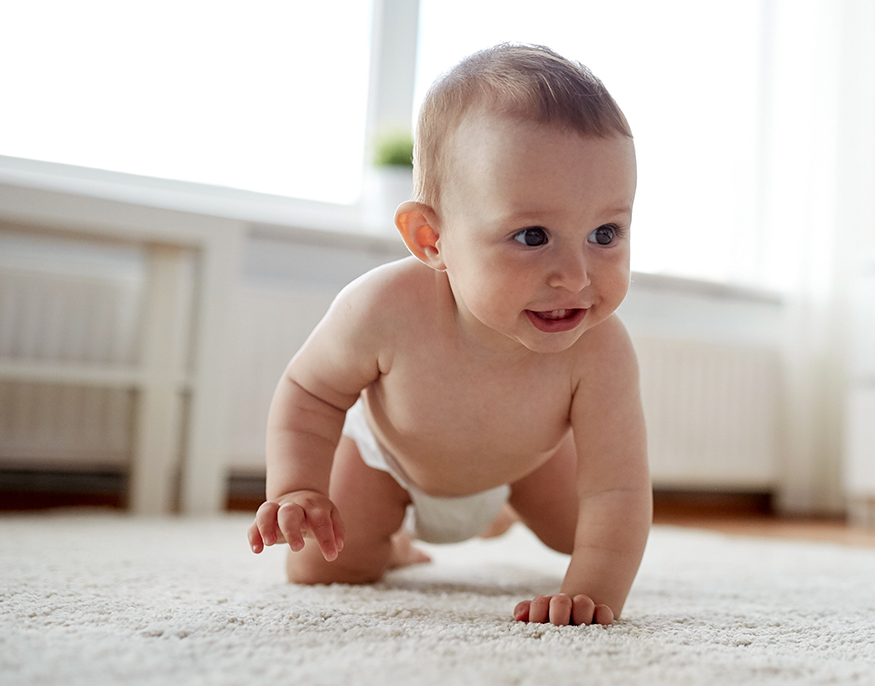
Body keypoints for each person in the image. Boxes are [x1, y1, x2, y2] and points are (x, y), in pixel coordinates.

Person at [246, 43, 649, 628]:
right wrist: (297, 487)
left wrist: (590, 593)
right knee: (322, 564)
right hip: (387, 461)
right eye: (533, 236)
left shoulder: (602, 349)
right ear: (431, 239)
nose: (577, 277)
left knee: (586, 536)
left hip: (528, 464)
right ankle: (396, 546)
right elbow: (311, 390)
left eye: (605, 233)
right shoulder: (382, 307)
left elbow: (618, 490)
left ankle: (498, 511)